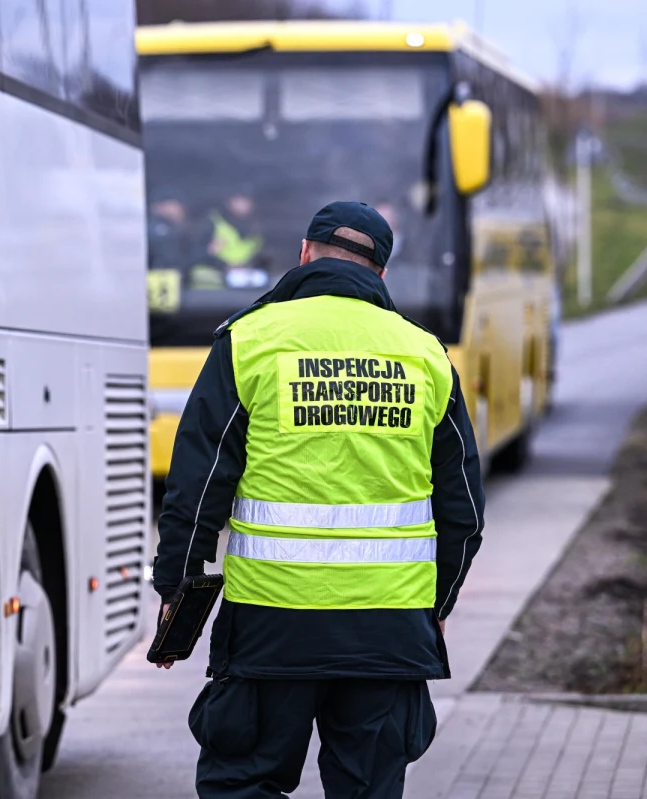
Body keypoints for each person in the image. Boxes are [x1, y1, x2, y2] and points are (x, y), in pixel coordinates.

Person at [152, 201, 486, 799]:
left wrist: (176, 587)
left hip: (270, 623)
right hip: (389, 628)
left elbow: (198, 484)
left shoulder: (249, 340)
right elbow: (463, 509)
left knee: (243, 780)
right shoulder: (426, 355)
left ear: (304, 254)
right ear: (381, 274)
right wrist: (438, 602)